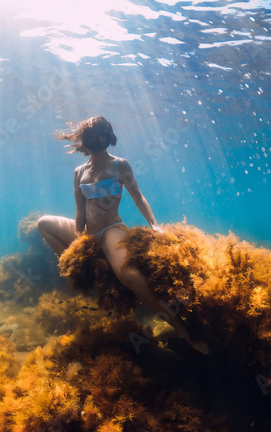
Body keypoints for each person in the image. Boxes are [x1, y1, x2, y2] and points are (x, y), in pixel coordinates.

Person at [38, 116, 207, 353]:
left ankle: (185, 331)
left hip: (111, 230)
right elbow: (79, 212)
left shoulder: (120, 165)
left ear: (109, 138)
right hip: (88, 232)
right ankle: (86, 276)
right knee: (44, 224)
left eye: (104, 134)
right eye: (96, 135)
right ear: (86, 140)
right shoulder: (78, 172)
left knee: (130, 276)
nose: (101, 139)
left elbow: (138, 197)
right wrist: (79, 246)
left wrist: (154, 224)